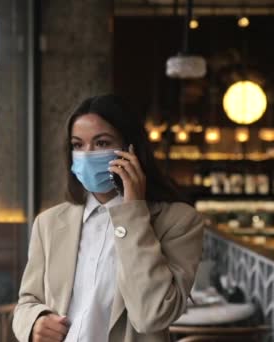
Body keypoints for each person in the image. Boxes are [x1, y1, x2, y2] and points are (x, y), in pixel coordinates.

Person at [13, 95, 204, 342]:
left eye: (101, 143)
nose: (87, 154)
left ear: (130, 149)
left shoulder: (179, 221)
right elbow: (27, 301)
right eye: (78, 145)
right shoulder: (48, 223)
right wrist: (35, 323)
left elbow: (152, 315)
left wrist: (132, 211)